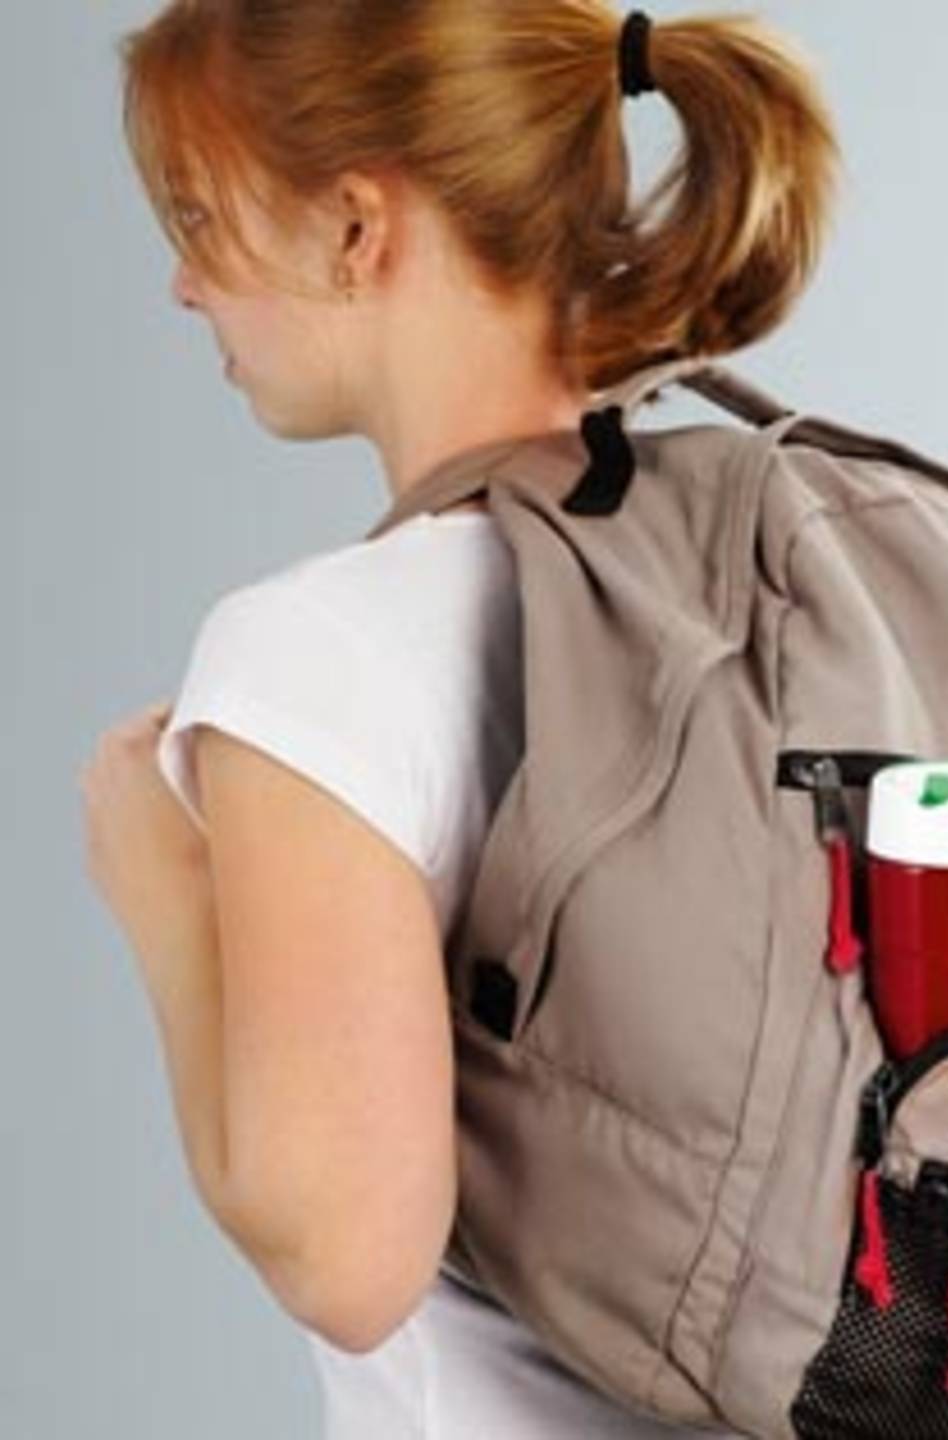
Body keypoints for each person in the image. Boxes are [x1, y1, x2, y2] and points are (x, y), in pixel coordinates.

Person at [105, 1, 842, 1435]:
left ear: (355, 229)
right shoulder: (751, 568)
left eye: (199, 215)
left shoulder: (312, 653)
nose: (184, 285)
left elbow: (347, 1259)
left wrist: (166, 893)